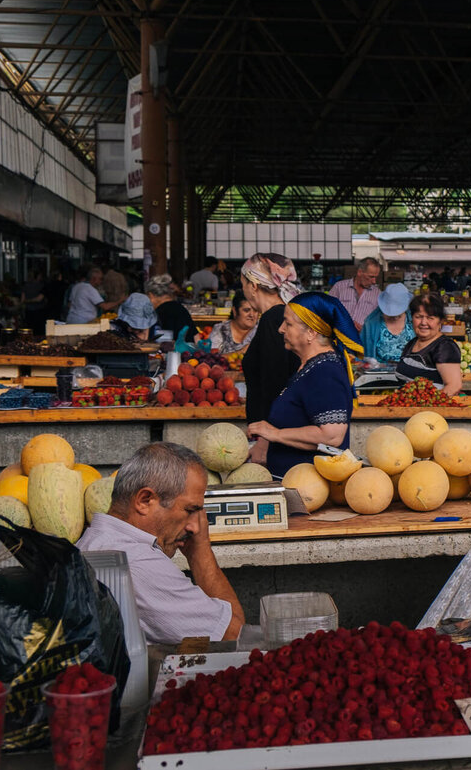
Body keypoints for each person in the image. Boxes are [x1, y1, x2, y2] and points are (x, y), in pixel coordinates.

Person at [75, 442, 245, 643]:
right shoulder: (139, 562)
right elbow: (233, 634)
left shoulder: (91, 540)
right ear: (144, 500)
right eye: (190, 510)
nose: (194, 526)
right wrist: (201, 549)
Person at [247, 292, 362, 478]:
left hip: (310, 490)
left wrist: (276, 434)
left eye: (288, 323)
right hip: (294, 483)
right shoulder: (310, 368)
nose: (281, 329)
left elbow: (332, 436)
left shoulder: (325, 372)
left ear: (311, 333)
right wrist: (266, 442)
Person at [240, 254, 305, 463]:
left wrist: (265, 440)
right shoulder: (283, 316)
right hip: (279, 432)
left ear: (253, 286)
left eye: (243, 284)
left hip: (276, 438)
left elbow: (276, 383)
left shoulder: (274, 320)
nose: (243, 289)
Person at [396, 293, 463, 395]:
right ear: (412, 318)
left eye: (430, 318)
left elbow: (454, 386)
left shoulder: (444, 347)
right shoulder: (412, 343)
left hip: (433, 409)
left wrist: (427, 406)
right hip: (408, 408)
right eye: (418, 317)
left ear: (440, 321)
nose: (423, 322)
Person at [359, 282, 414, 363]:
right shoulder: (371, 324)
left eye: (399, 312)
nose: (394, 316)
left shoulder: (414, 321)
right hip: (379, 373)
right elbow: (362, 354)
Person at [330, 258, 381, 329]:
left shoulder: (377, 293)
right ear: (360, 272)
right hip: (339, 335)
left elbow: (378, 321)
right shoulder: (339, 287)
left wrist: (365, 329)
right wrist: (344, 322)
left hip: (362, 338)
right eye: (371, 277)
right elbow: (327, 311)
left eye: (375, 277)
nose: (374, 281)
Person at [146, 274, 197, 341]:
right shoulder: (181, 309)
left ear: (151, 295)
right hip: (187, 350)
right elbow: (196, 337)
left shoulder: (159, 312)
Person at [22, 267, 46, 336]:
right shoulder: (41, 286)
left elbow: (22, 300)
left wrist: (27, 301)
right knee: (39, 331)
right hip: (39, 310)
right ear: (38, 276)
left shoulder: (26, 286)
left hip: (29, 311)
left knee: (29, 331)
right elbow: (40, 299)